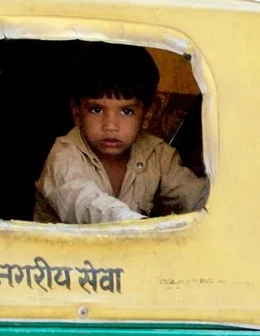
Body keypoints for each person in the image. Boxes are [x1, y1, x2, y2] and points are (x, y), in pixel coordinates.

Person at [33, 43, 209, 224]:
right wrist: (139, 227)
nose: (110, 126)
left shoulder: (157, 154)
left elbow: (197, 198)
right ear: (77, 112)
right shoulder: (64, 156)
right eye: (96, 109)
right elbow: (85, 204)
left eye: (126, 111)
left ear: (148, 114)